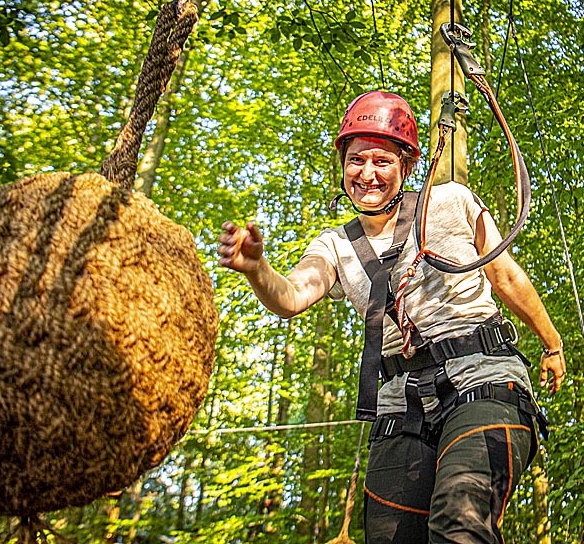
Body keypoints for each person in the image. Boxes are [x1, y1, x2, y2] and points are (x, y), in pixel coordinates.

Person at [218, 91, 566, 544]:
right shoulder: (335, 246)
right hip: (402, 409)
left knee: (459, 522)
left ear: (405, 166)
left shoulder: (451, 202)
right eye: (356, 160)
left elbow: (505, 275)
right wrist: (257, 269)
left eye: (381, 161)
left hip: (485, 380)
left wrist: (552, 344)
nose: (367, 174)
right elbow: (292, 295)